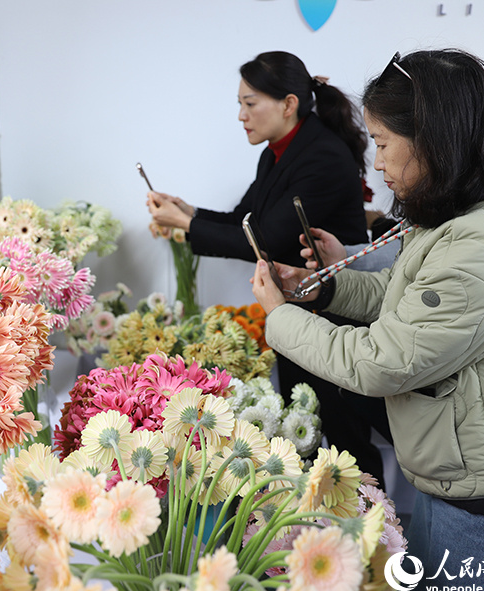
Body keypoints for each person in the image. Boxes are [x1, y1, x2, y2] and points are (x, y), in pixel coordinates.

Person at [252, 49, 484, 591]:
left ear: (431, 137)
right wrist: (324, 290)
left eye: (382, 143)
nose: (376, 163)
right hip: (461, 477)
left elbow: (381, 361)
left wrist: (279, 318)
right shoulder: (467, 213)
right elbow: (409, 297)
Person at [146, 50, 392, 485]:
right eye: (240, 103)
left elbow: (270, 239)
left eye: (250, 102)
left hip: (336, 319)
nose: (241, 115)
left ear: (289, 103)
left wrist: (185, 225)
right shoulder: (278, 152)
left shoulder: (323, 156)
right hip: (300, 313)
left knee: (345, 439)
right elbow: (246, 218)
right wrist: (188, 211)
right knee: (310, 433)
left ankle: (373, 535)